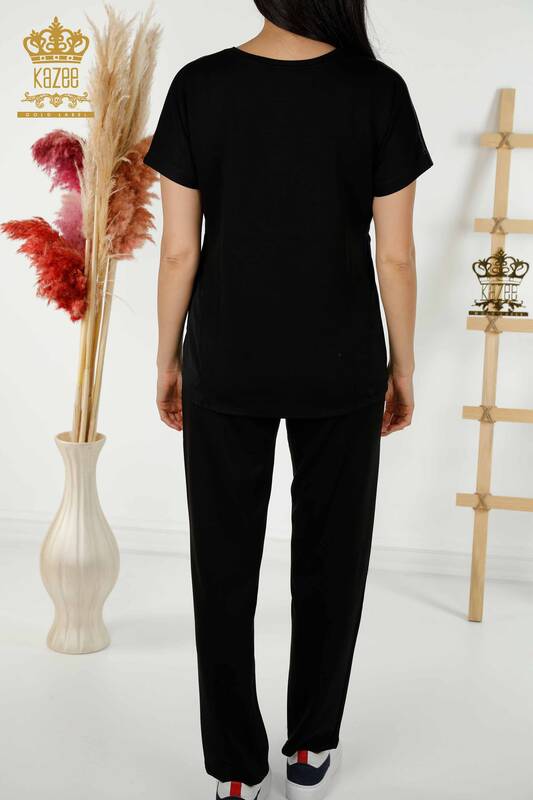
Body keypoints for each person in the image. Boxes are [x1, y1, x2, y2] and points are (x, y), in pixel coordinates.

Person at [143, 0, 433, 797]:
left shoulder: (200, 86)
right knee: (332, 562)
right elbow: (396, 255)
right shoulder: (376, 90)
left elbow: (178, 251)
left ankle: (235, 772)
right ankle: (309, 748)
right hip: (341, 363)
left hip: (225, 358)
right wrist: (402, 366)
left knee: (221, 568)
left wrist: (167, 357)